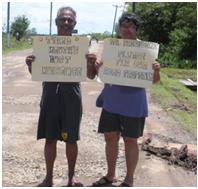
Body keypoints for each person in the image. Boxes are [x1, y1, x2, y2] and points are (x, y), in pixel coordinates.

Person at [25, 6, 96, 187]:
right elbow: (37, 72)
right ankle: (48, 177)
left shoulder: (81, 47)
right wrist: (30, 65)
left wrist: (90, 64)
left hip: (72, 95)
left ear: (74, 24)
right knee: (50, 138)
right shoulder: (46, 45)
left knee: (71, 139)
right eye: (62, 19)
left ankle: (71, 176)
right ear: (56, 22)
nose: (66, 23)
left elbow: (89, 76)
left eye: (70, 20)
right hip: (50, 94)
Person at [92, 12, 160, 187]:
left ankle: (129, 179)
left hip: (134, 103)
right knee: (110, 138)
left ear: (136, 30)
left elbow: (154, 80)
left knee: (131, 140)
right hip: (112, 100)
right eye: (124, 26)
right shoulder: (112, 47)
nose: (127, 29)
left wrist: (156, 70)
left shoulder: (146, 50)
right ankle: (110, 175)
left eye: (131, 26)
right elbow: (103, 75)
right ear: (119, 28)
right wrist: (99, 67)